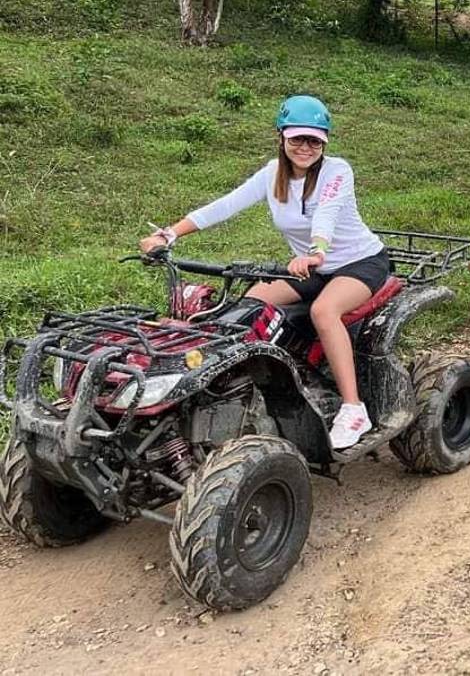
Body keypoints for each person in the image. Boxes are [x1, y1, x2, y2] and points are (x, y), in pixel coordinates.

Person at [139, 95, 387, 450]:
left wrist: (316, 251)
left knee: (324, 311)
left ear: (325, 142)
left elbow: (327, 215)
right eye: (298, 139)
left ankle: (353, 408)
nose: (305, 147)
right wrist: (169, 233)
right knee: (248, 306)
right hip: (309, 266)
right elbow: (225, 205)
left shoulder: (337, 171)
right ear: (282, 136)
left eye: (314, 140)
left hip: (357, 263)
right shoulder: (273, 174)